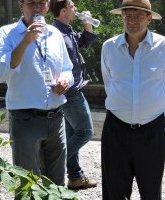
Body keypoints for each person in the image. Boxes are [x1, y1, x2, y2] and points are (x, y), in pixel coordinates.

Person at [0, 0, 73, 185]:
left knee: (57, 185)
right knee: (28, 185)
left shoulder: (55, 33)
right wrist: (25, 41)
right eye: (31, 3)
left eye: (41, 3)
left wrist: (66, 80)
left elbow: (68, 68)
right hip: (25, 119)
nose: (37, 8)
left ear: (48, 5)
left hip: (56, 118)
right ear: (21, 5)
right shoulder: (6, 34)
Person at [100, 0, 165, 199]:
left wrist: (154, 112)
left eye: (137, 16)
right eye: (127, 16)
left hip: (152, 130)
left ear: (149, 18)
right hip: (116, 129)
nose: (131, 21)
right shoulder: (109, 47)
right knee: (114, 191)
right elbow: (109, 84)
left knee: (151, 191)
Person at [49, 0, 98, 189]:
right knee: (85, 132)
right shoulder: (56, 34)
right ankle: (52, 160)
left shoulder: (67, 30)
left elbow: (85, 40)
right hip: (70, 92)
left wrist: (88, 21)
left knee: (73, 133)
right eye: (72, 6)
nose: (76, 9)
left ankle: (75, 176)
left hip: (72, 89)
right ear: (63, 11)